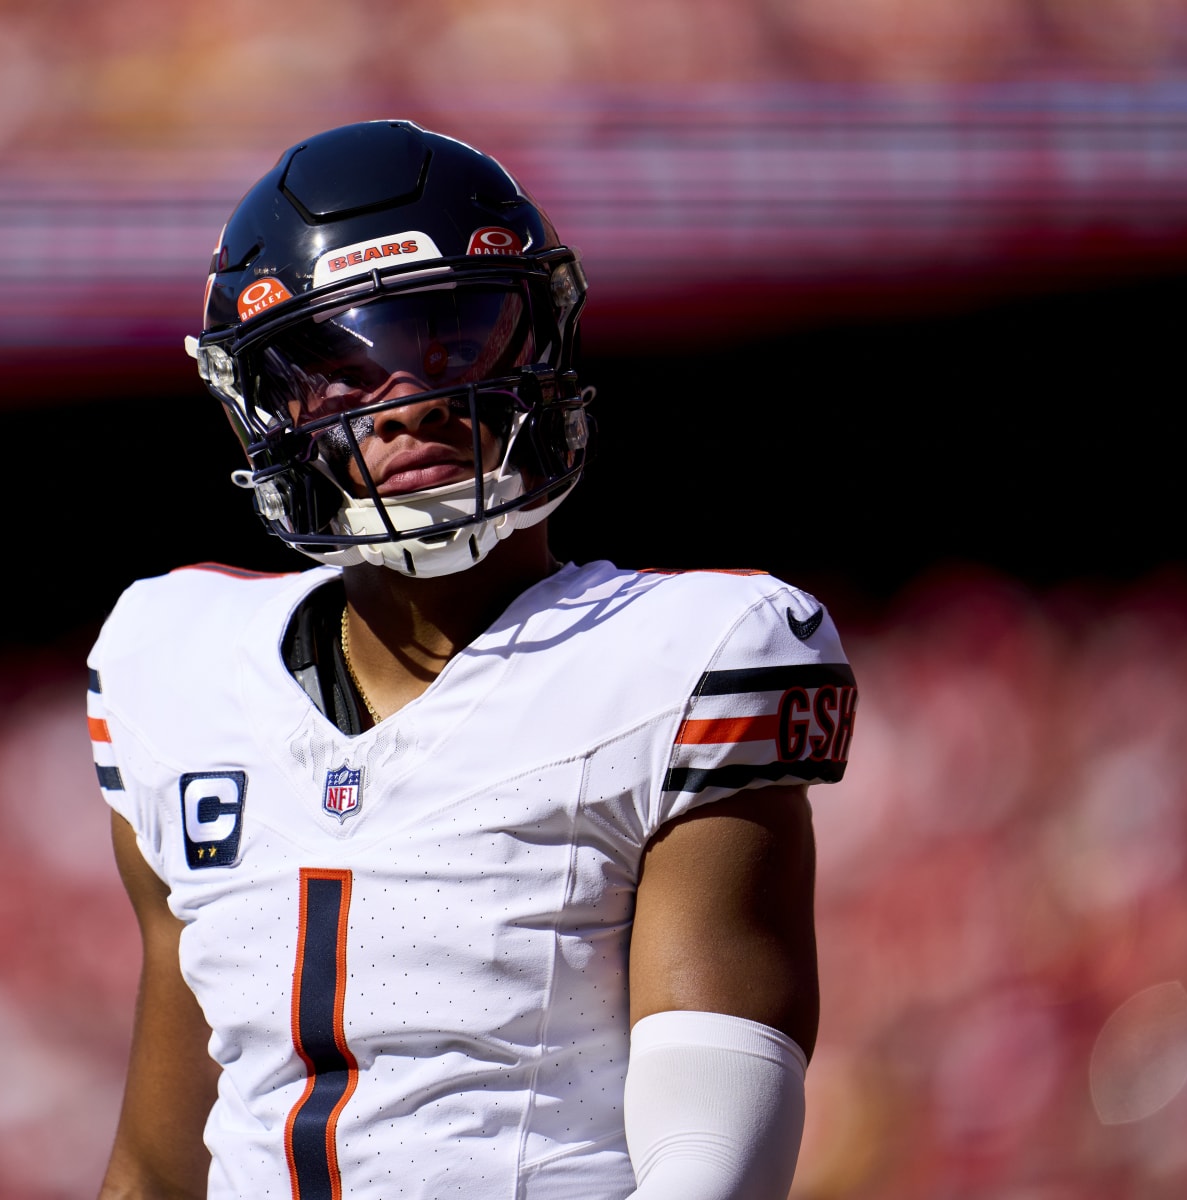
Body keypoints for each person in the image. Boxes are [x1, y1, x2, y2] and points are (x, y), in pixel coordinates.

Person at [89, 120, 855, 1200]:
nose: (412, 395)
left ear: (540, 338)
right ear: (259, 406)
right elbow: (160, 1167)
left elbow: (711, 1159)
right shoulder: (167, 668)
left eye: (458, 332)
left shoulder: (691, 659)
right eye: (337, 366)